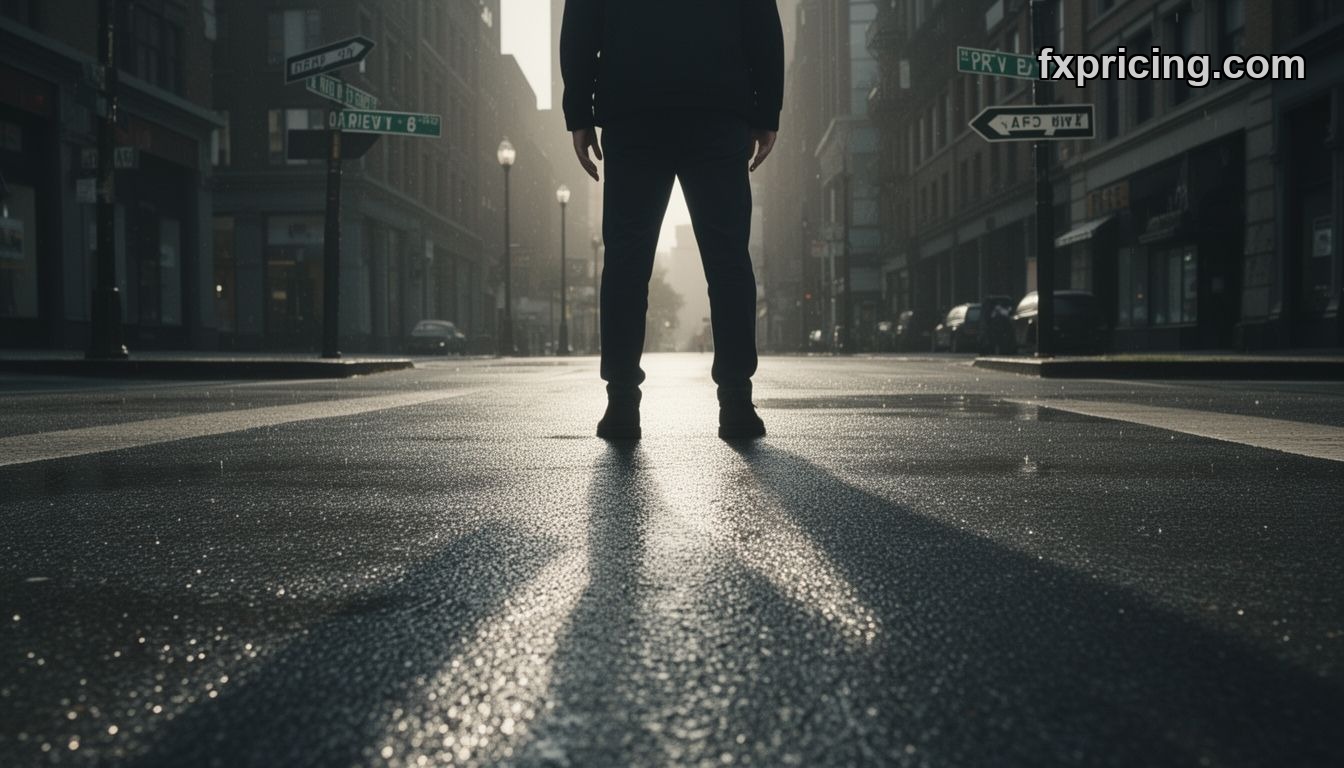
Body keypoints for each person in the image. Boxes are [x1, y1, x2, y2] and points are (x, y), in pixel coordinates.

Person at [560, 0, 784, 440]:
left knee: (626, 261)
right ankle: (736, 399)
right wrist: (766, 111)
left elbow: (581, 20)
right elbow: (761, 20)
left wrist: (579, 114)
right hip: (717, 106)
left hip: (634, 106)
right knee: (728, 261)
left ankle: (622, 399)